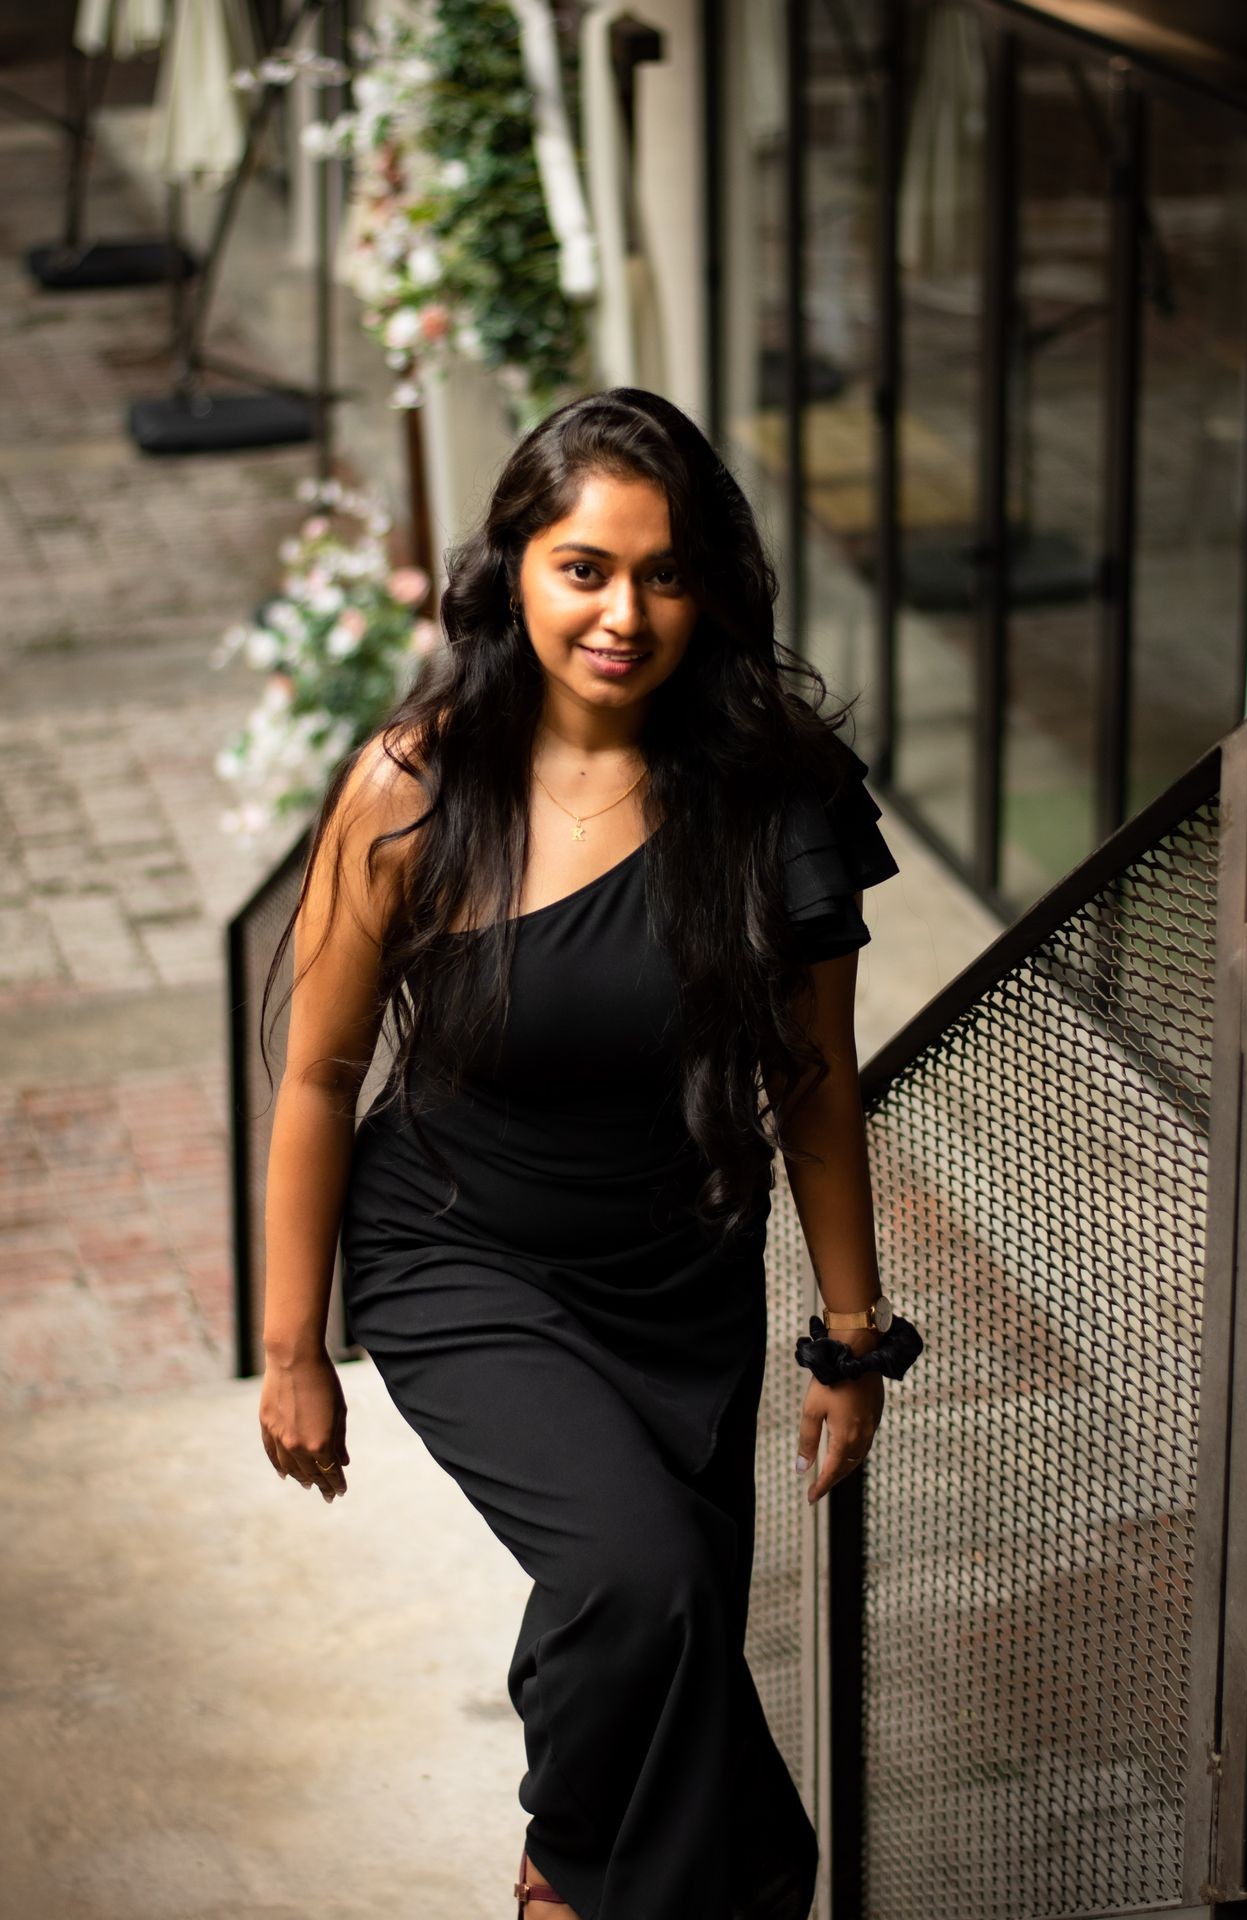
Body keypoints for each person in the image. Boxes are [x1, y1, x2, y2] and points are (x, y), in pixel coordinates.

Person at [256, 387, 915, 1920]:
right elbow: (317, 1077)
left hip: (685, 1277)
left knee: (654, 1621)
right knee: (643, 1580)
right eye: (584, 569)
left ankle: (713, 1873)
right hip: (459, 1247)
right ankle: (572, 1868)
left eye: (665, 574)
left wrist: (852, 1329)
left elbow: (815, 1083)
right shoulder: (416, 790)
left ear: (711, 587)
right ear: (515, 575)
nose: (625, 613)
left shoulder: (778, 793)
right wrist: (295, 1348)